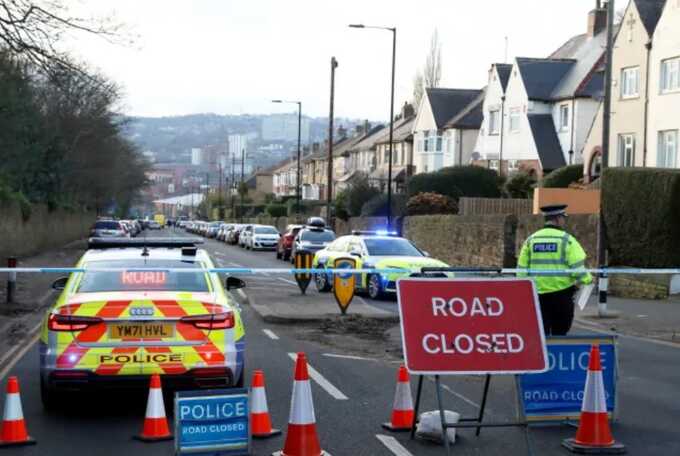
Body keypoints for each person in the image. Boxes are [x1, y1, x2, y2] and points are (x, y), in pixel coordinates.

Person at [517, 204, 592, 336]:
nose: (564, 221)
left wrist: (523, 291)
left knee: (541, 333)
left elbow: (521, 270)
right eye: (563, 218)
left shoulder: (531, 240)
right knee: (560, 333)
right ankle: (557, 356)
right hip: (562, 296)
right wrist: (588, 280)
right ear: (558, 219)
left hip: (537, 296)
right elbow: (577, 269)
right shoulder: (567, 240)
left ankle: (544, 356)